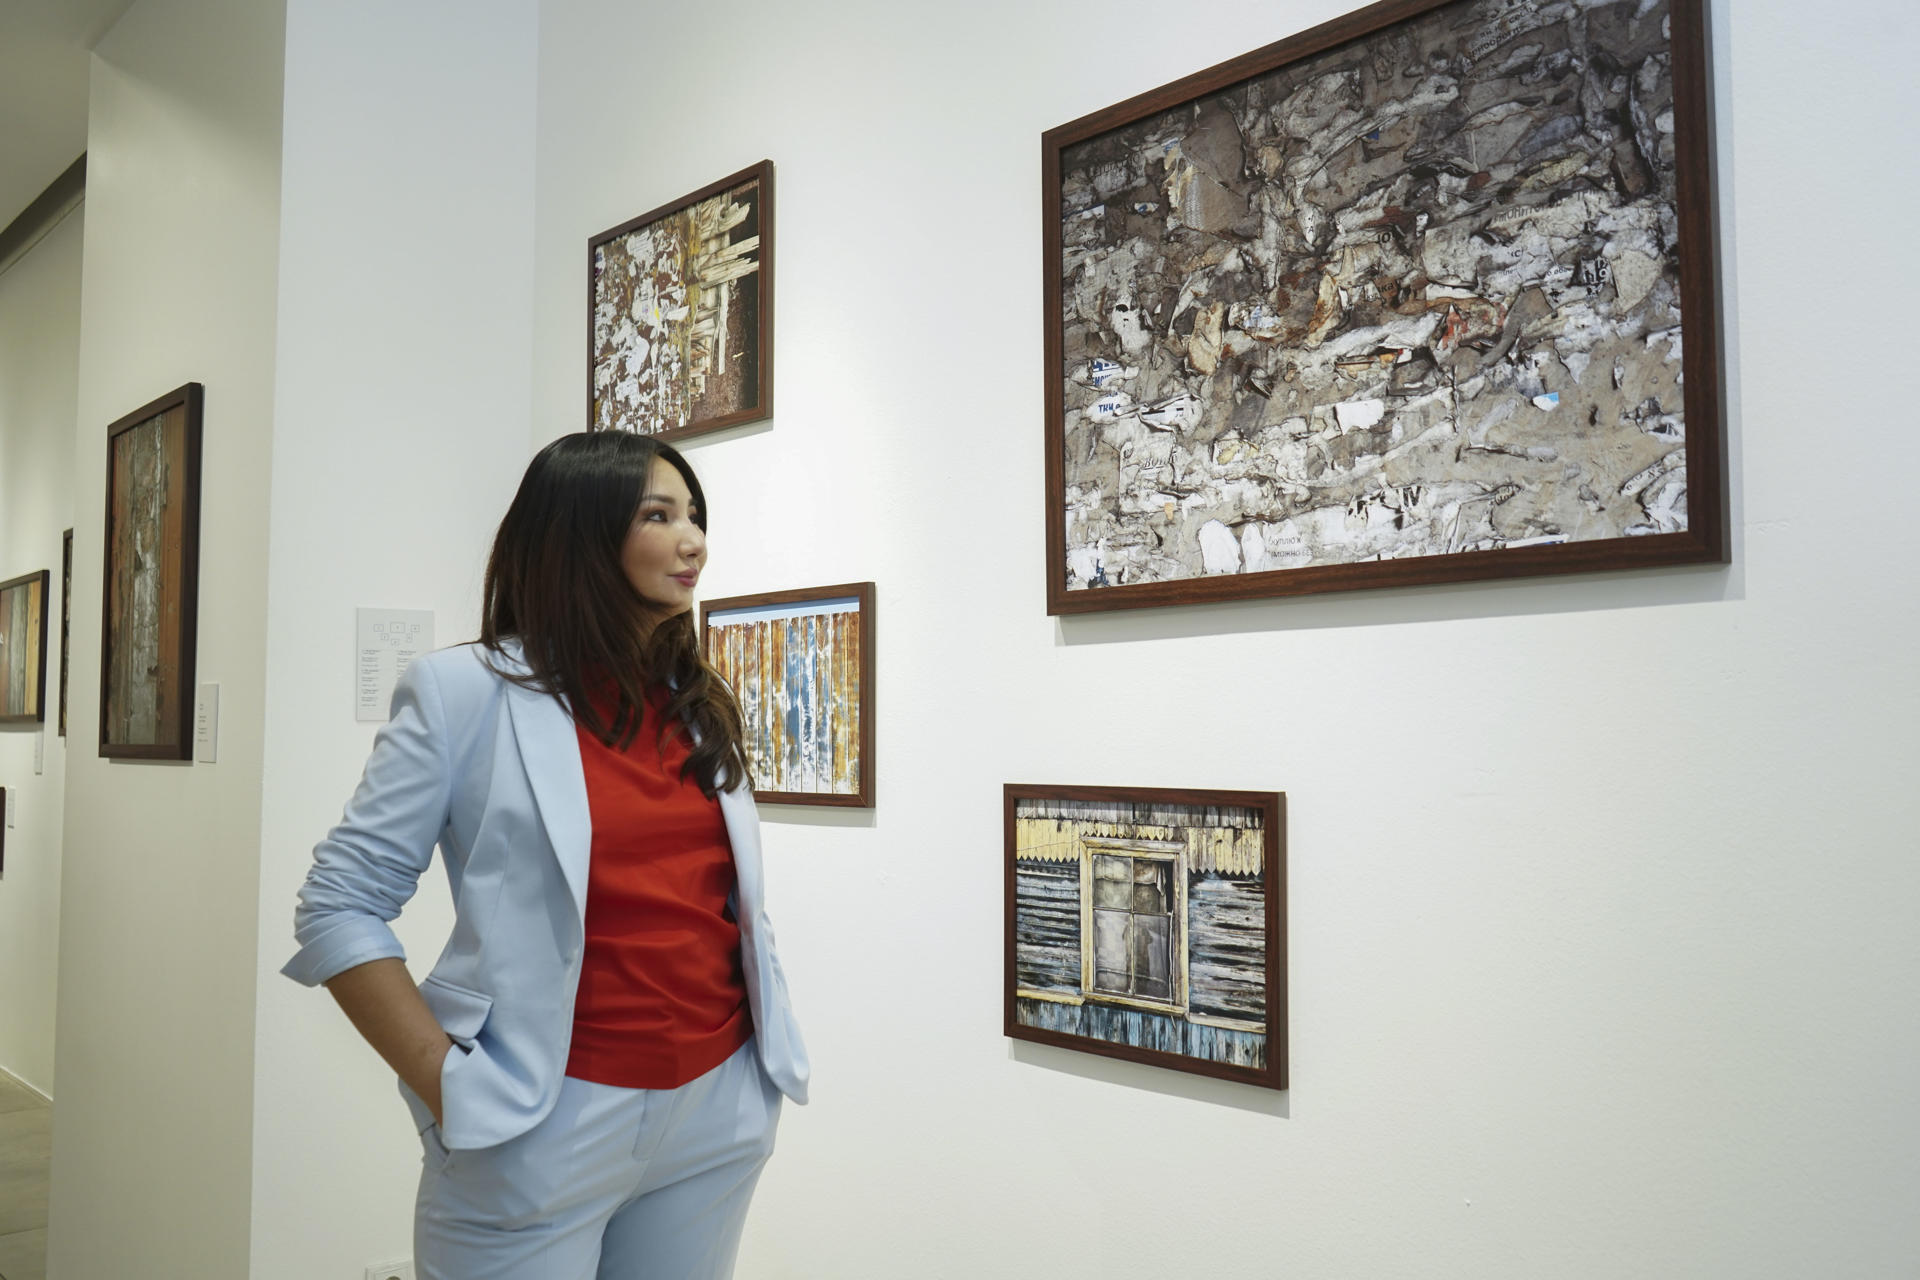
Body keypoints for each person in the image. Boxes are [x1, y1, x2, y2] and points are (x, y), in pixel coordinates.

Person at [281, 431, 808, 1279]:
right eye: (659, 515)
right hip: (542, 1114)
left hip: (717, 1109)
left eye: (695, 516)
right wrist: (447, 1086)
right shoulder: (466, 691)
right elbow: (338, 905)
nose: (694, 542)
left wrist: (755, 1078)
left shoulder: (698, 700)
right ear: (580, 533)